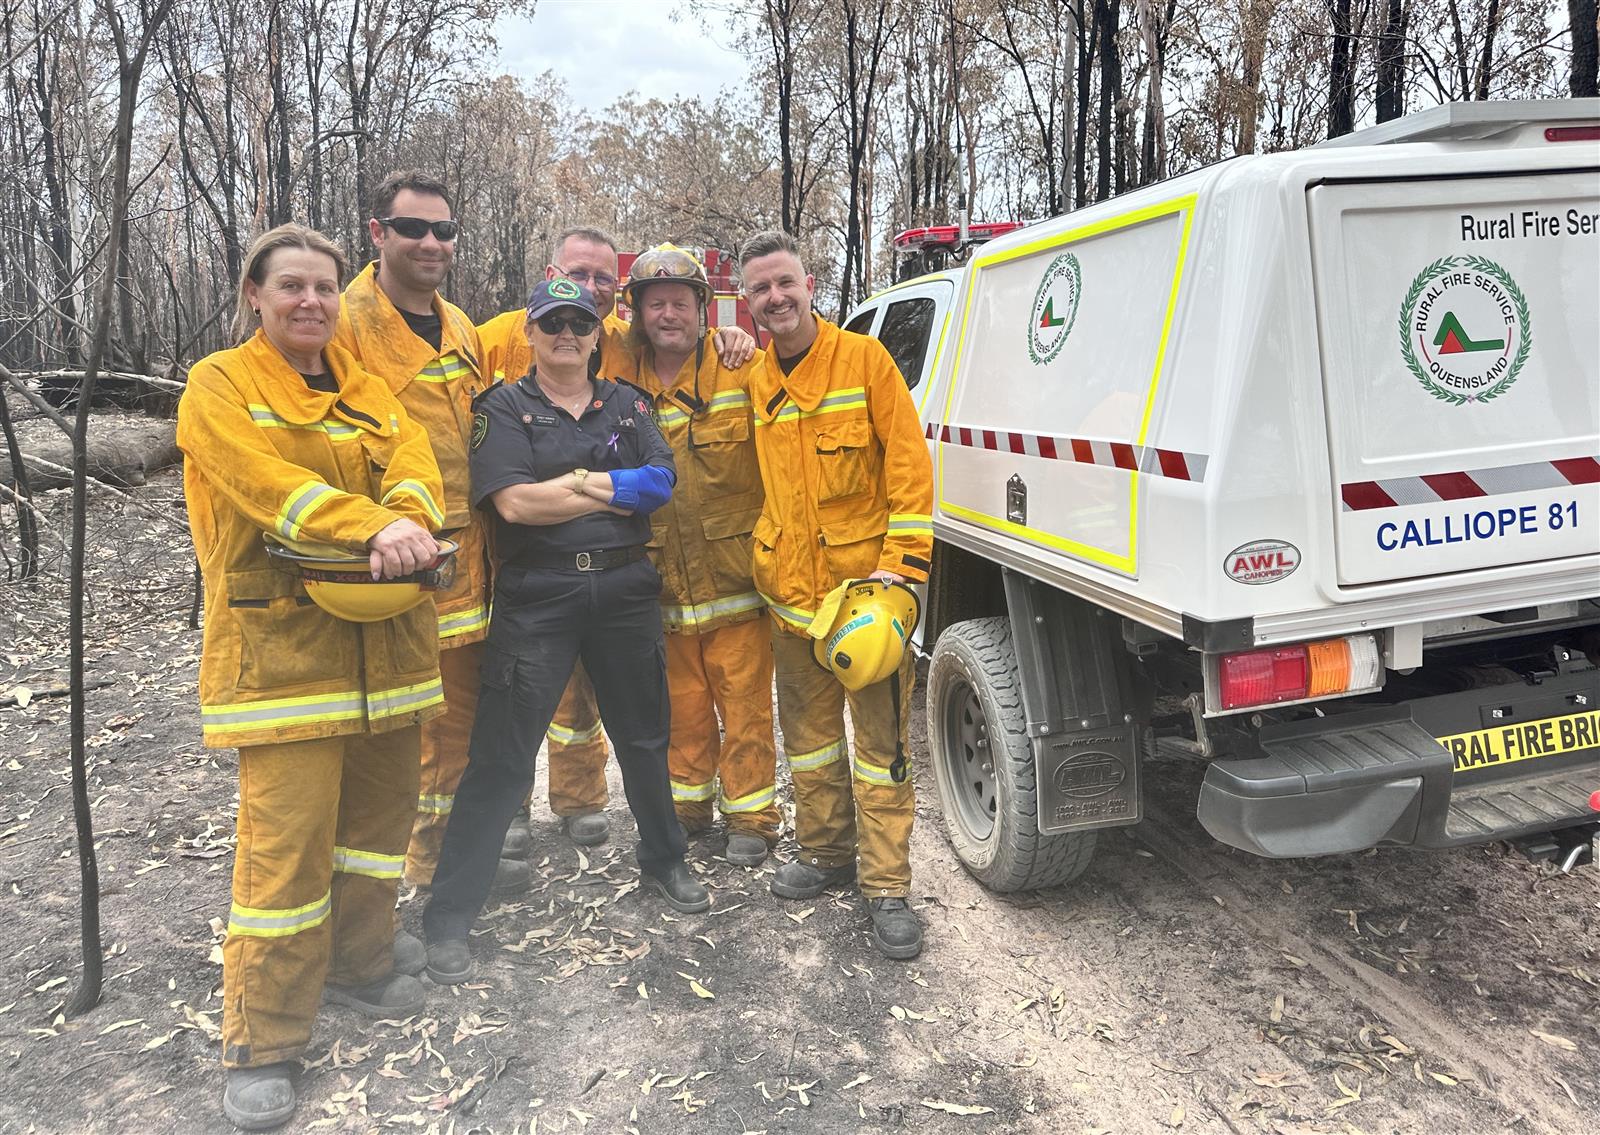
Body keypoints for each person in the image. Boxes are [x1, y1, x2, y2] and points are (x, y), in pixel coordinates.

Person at [177, 224, 447, 1130]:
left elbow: (415, 465)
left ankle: (361, 962)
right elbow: (262, 484)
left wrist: (406, 517)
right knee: (284, 853)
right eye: (290, 285)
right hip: (285, 657)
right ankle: (264, 1038)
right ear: (253, 294)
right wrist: (371, 528)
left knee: (377, 827)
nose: (311, 303)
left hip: (390, 652)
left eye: (325, 288)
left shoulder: (370, 389)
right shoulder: (219, 384)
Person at [423, 280, 710, 984]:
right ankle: (451, 912)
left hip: (623, 589)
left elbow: (661, 482)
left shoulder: (628, 404)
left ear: (596, 335)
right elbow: (515, 505)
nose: (566, 335)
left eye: (580, 323)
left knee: (644, 738)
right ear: (531, 331)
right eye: (552, 322)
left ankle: (665, 858)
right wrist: (607, 483)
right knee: (501, 755)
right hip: (538, 595)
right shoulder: (503, 407)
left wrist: (575, 485)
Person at [475, 226, 759, 853]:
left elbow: (658, 473)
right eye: (580, 275)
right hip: (531, 562)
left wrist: (731, 333)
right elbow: (507, 483)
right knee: (521, 697)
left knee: (589, 700)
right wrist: (595, 486)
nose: (590, 293)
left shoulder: (628, 351)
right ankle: (511, 815)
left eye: (605, 280)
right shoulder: (497, 337)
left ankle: (580, 801)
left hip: (622, 564)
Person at [328, 171, 534, 902]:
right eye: (412, 228)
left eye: (443, 231)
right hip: (393, 557)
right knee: (410, 730)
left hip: (469, 557)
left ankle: (453, 859)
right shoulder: (342, 320)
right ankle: (412, 878)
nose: (430, 242)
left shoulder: (458, 324)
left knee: (463, 722)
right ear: (377, 232)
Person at [736, 230, 936, 960]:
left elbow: (911, 474)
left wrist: (903, 571)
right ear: (747, 301)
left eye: (785, 282)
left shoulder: (865, 361)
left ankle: (887, 884)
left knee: (881, 751)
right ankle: (826, 854)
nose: (775, 298)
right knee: (813, 747)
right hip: (791, 609)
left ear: (810, 282)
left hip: (865, 606)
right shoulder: (756, 380)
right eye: (760, 289)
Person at [611, 244, 777, 864]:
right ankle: (687, 806)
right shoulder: (617, 379)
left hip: (734, 577)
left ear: (704, 308)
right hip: (658, 581)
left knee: (746, 704)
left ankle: (754, 816)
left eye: (681, 302)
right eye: (656, 304)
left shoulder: (743, 369)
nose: (669, 314)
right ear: (638, 313)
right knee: (678, 706)